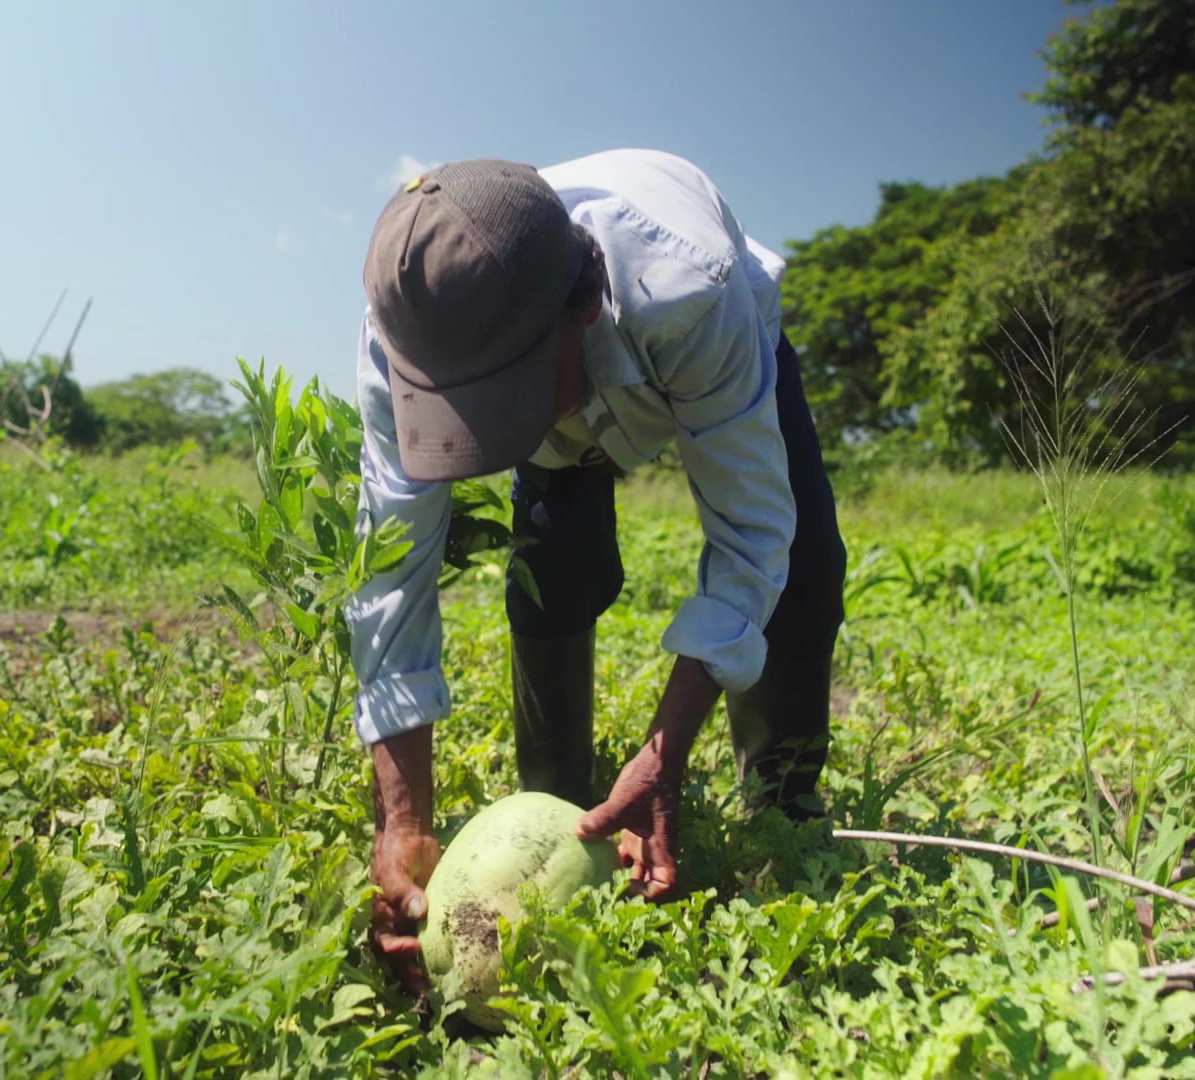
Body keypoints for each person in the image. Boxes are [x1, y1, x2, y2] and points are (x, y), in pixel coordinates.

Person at [348, 149, 848, 994]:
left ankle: (783, 809)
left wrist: (667, 755)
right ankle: (559, 801)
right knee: (553, 566)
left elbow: (752, 530)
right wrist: (402, 822)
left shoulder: (691, 291)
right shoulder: (413, 328)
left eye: (501, 402)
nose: (485, 433)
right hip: (552, 357)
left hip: (708, 342)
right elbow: (390, 578)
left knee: (803, 571)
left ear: (582, 308)